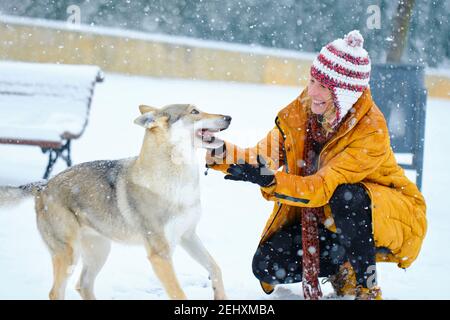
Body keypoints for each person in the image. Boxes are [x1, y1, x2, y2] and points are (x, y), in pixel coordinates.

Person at [205, 30, 427, 300]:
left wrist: (270, 180)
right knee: (266, 265)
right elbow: (263, 156)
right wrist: (220, 152)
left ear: (344, 93)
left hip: (389, 213)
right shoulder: (306, 109)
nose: (312, 91)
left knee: (348, 195)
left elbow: (321, 186)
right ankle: (342, 264)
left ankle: (367, 288)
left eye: (322, 86)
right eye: (311, 81)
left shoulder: (370, 130)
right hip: (327, 216)